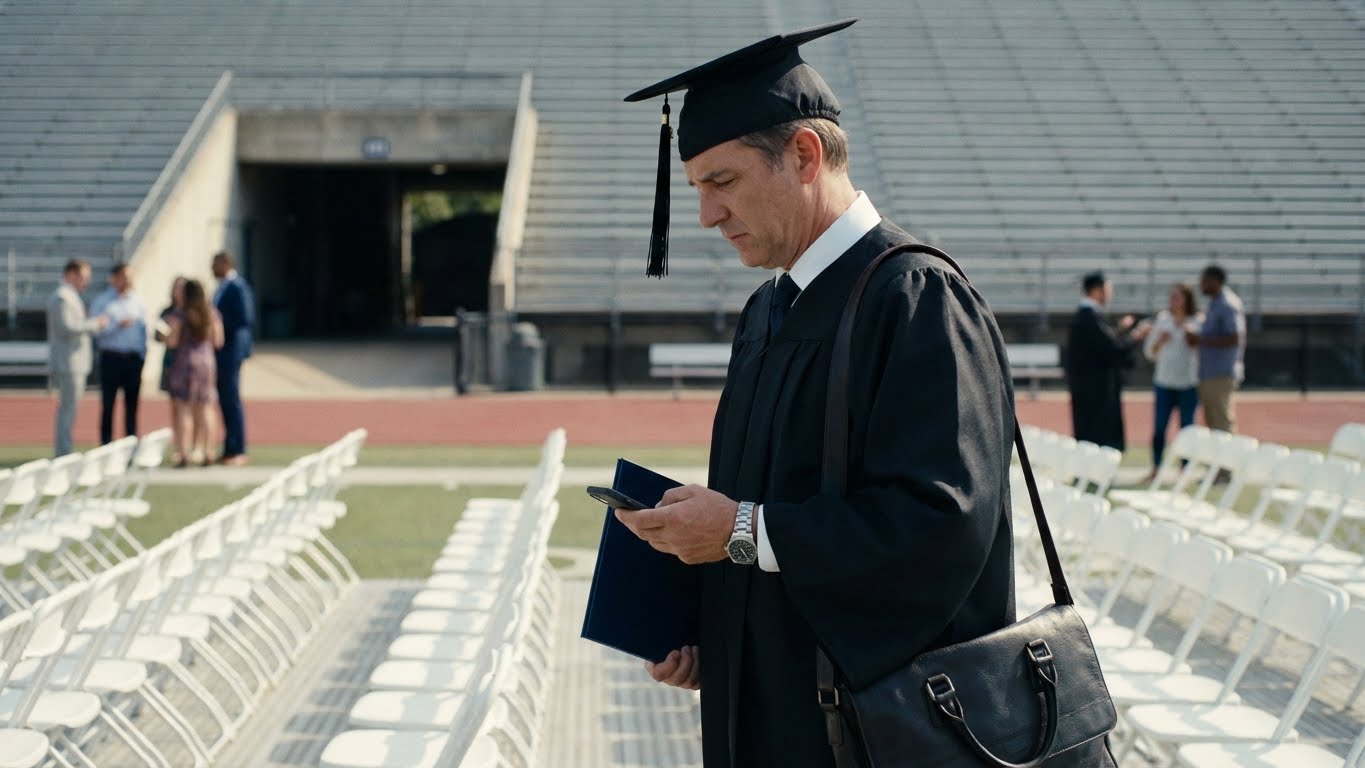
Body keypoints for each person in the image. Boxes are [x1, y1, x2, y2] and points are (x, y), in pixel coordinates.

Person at [615, 20, 1017, 767]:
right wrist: (715, 635)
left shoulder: (914, 296)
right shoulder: (770, 309)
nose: (706, 215)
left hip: (873, 731)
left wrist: (739, 530)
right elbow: (772, 510)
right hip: (773, 709)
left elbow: (940, 527)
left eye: (722, 182)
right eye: (697, 188)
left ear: (802, 154)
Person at [1064, 271, 1142, 451]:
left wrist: (1120, 331)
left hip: (1088, 387)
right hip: (1096, 389)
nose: (1110, 294)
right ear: (1097, 291)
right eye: (1108, 289)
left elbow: (1104, 343)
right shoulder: (1089, 317)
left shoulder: (1087, 317)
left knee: (1089, 430)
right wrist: (1134, 338)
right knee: (1096, 434)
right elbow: (1110, 349)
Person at [46, 259, 108, 456]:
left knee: (70, 410)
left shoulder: (69, 296)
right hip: (69, 363)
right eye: (83, 277)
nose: (86, 282)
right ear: (71, 274)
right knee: (67, 410)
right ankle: (63, 452)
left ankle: (65, 450)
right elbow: (67, 327)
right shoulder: (62, 297)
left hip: (74, 361)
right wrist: (95, 323)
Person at [1142, 282, 1201, 476]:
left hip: (1188, 383)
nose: (1173, 301)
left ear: (1187, 299)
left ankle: (1186, 468)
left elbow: (1203, 351)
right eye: (1171, 296)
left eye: (1177, 296)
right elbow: (1149, 352)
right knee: (1159, 427)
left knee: (1187, 429)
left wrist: (1192, 338)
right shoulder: (1163, 320)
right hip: (1164, 383)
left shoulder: (1197, 321)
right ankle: (1156, 466)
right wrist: (1159, 342)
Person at [166, 280, 224, 467]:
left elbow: (172, 342)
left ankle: (183, 452)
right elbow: (218, 341)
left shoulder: (179, 315)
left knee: (184, 408)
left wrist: (166, 336)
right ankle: (208, 451)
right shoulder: (211, 313)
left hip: (185, 362)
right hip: (207, 362)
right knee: (206, 407)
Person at [89, 263, 148, 445]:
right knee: (108, 404)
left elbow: (144, 331)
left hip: (132, 359)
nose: (128, 280)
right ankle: (106, 445)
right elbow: (95, 329)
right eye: (124, 276)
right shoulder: (102, 301)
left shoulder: (138, 301)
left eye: (130, 276)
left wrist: (142, 355)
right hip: (111, 357)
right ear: (115, 278)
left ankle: (130, 444)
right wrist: (116, 326)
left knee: (132, 405)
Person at [1185, 264, 1246, 433]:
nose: (1201, 285)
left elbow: (1234, 338)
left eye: (1204, 281)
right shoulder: (1215, 303)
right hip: (1210, 372)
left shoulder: (1227, 304)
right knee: (1213, 422)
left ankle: (1227, 459)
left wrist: (1200, 339)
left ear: (1215, 281)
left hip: (1221, 372)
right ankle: (1217, 459)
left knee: (1222, 421)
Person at [211, 250, 254, 466]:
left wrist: (218, 324)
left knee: (232, 399)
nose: (212, 268)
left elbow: (245, 317)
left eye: (215, 264)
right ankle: (229, 446)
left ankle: (239, 448)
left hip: (232, 349)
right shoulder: (223, 286)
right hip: (222, 350)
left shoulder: (237, 286)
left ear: (225, 263)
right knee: (225, 399)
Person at [156, 277, 188, 463]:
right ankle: (178, 445)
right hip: (171, 362)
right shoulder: (167, 311)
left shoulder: (193, 312)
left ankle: (188, 448)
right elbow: (158, 337)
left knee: (188, 408)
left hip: (188, 364)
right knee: (175, 407)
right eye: (177, 288)